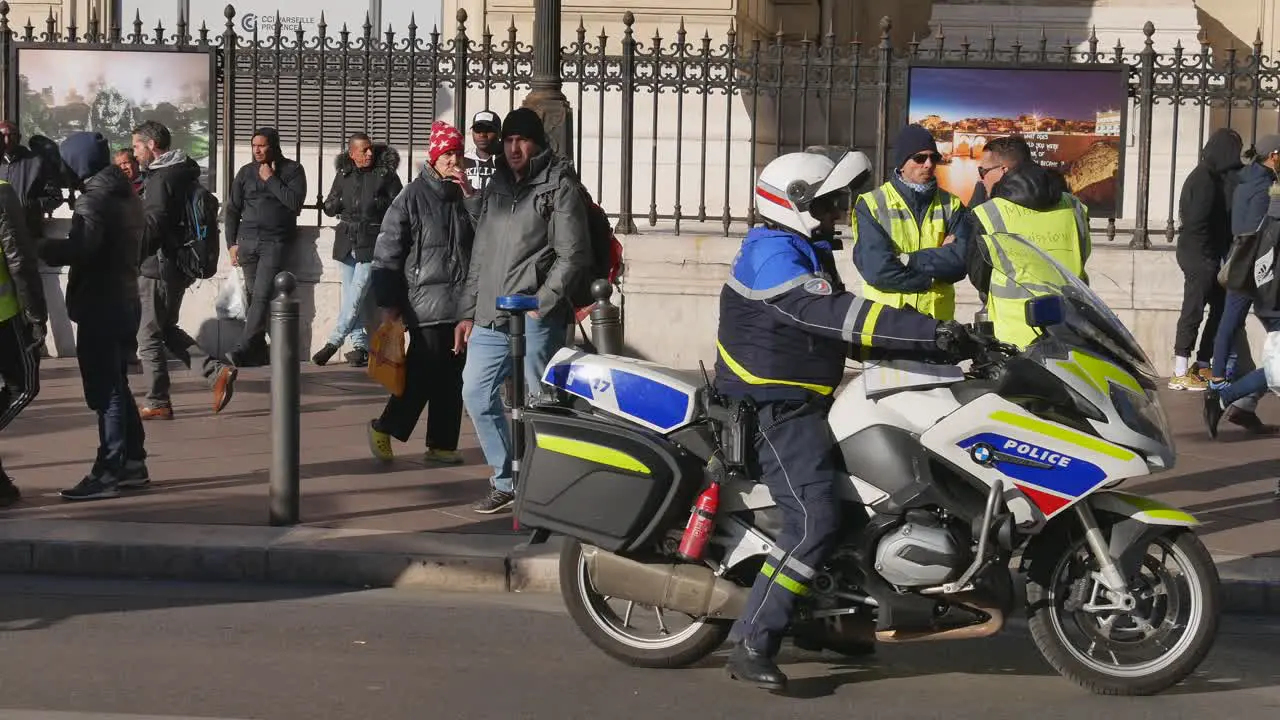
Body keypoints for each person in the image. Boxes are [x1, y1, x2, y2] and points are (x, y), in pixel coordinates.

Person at [716, 149, 975, 691]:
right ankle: (751, 640)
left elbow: (842, 323)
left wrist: (951, 347)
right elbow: (835, 315)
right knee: (813, 518)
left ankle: (833, 621)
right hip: (773, 409)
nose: (838, 211)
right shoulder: (772, 255)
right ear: (796, 203)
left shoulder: (799, 248)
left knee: (869, 496)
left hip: (805, 399)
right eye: (830, 202)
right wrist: (933, 333)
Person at [456, 107, 592, 515]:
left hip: (533, 315)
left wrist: (543, 302)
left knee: (540, 401)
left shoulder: (558, 187)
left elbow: (573, 255)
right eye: (509, 140)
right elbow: (480, 253)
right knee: (476, 393)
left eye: (522, 140)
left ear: (536, 143)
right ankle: (506, 480)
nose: (514, 148)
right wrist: (468, 310)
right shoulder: (497, 185)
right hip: (490, 314)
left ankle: (549, 485)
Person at [38, 132, 149, 501]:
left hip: (101, 303)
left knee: (106, 391)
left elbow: (83, 247)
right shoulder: (124, 192)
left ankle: (109, 470)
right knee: (117, 382)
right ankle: (133, 462)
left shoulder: (94, 199)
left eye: (68, 164)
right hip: (124, 299)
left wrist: (41, 247)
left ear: (79, 165)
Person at [367, 121, 475, 464]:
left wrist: (471, 197)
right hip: (423, 302)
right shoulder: (411, 196)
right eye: (448, 154)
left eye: (458, 153)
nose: (454, 160)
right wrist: (389, 301)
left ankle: (442, 444)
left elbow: (483, 237)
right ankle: (384, 427)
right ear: (434, 157)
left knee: (452, 374)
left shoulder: (463, 195)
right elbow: (388, 249)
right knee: (422, 372)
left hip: (459, 301)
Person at [131, 120, 238, 419]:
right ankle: (215, 372)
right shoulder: (183, 172)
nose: (135, 151)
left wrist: (132, 256)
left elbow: (154, 225)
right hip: (178, 265)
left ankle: (157, 400)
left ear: (152, 145)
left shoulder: (160, 179)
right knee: (165, 329)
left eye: (138, 145)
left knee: (148, 334)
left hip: (157, 267)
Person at [850, 124, 971, 321]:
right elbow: (877, 270)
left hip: (936, 325)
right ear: (902, 163)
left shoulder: (953, 204)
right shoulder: (871, 204)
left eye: (934, 157)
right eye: (920, 158)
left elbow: (960, 263)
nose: (929, 164)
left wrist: (905, 259)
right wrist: (932, 275)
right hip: (888, 324)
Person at [1206, 135, 1280, 434]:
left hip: (1242, 264)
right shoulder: (1268, 188)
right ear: (1273, 155)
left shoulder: (1243, 180)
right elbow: (1269, 232)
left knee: (1230, 322)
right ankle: (1228, 395)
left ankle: (1225, 390)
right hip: (1263, 272)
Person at [315, 133, 404, 368]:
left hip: (372, 239)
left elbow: (400, 205)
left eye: (370, 150)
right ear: (352, 153)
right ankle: (359, 346)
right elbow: (333, 203)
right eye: (363, 151)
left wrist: (379, 205)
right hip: (346, 239)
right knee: (352, 296)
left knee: (357, 291)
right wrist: (330, 205)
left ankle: (334, 341)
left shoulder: (385, 175)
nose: (369, 154)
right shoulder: (344, 174)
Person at [225, 127, 307, 368]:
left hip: (275, 241)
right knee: (254, 298)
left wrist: (270, 179)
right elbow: (232, 209)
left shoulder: (293, 170)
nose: (257, 150)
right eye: (254, 146)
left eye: (262, 145)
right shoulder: (244, 173)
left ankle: (242, 347)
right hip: (247, 241)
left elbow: (295, 204)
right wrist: (231, 243)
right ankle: (257, 350)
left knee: (261, 295)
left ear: (273, 146)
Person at [1171, 128, 1243, 391]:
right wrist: (1208, 254)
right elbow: (1197, 222)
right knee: (1194, 308)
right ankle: (1180, 370)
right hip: (1199, 254)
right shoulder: (1204, 179)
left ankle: (1201, 362)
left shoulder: (1209, 176)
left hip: (1202, 253)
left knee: (1219, 306)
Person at [0, 179, 48, 506]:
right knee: (24, 385)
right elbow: (18, 257)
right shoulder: (1, 191)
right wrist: (35, 315)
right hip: (4, 314)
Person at [0, 121, 63, 239]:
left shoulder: (37, 162)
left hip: (28, 234)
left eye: (11, 135)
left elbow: (55, 197)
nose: (7, 141)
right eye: (2, 136)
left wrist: (29, 206)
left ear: (19, 138)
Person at [465, 110, 501, 193]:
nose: (482, 135)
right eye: (478, 130)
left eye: (488, 130)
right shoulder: (463, 160)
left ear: (499, 133)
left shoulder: (507, 161)